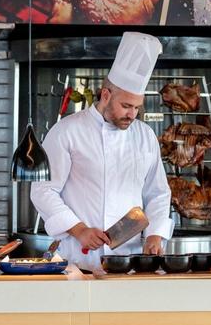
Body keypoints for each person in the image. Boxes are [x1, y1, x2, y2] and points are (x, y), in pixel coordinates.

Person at [30, 32, 173, 270]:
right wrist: (79, 230)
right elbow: (43, 191)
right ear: (105, 95)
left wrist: (155, 235)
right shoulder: (66, 131)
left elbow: (157, 192)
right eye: (125, 105)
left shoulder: (145, 135)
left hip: (130, 262)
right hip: (79, 259)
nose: (132, 114)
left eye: (137, 107)